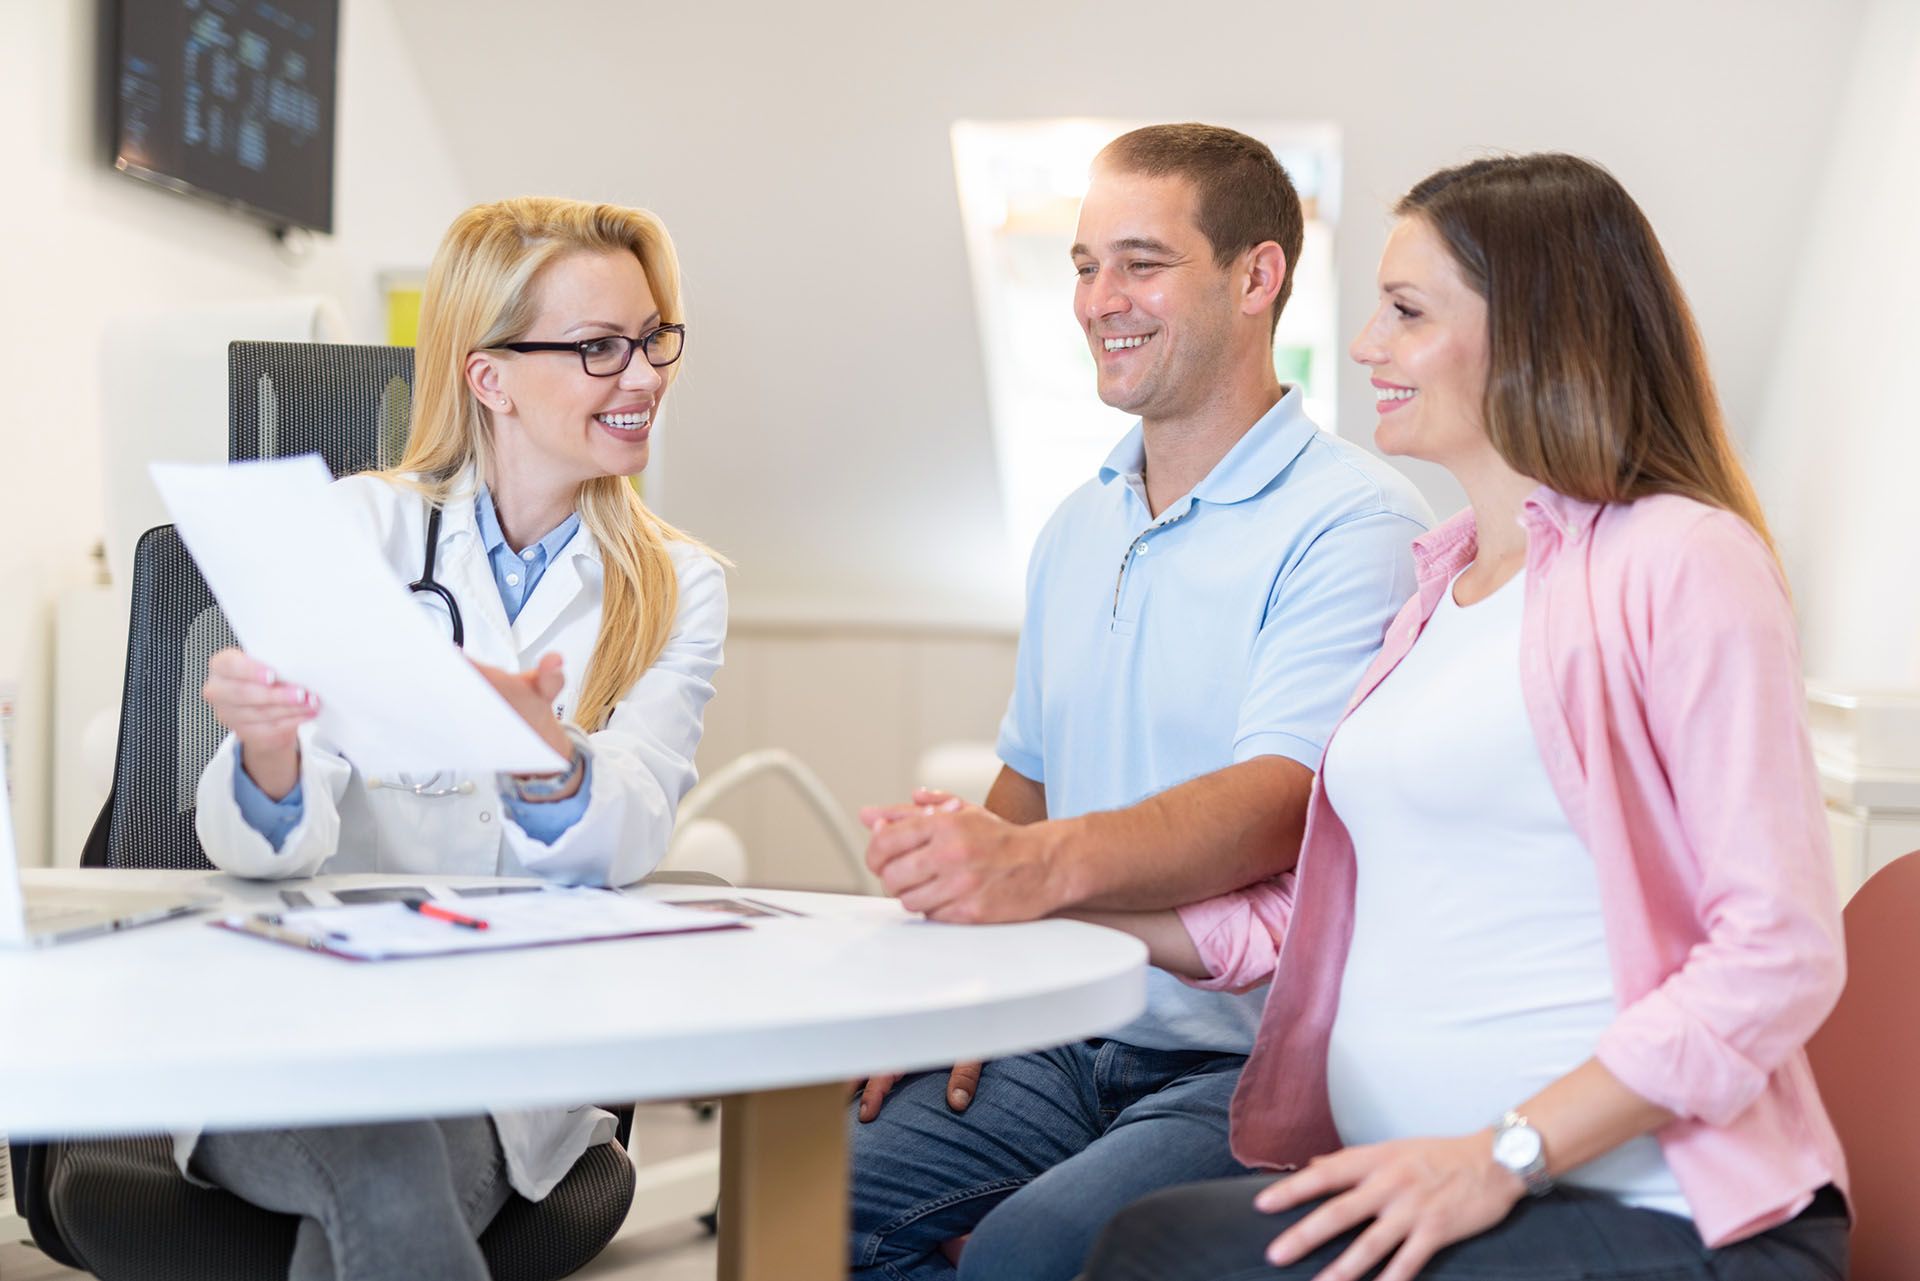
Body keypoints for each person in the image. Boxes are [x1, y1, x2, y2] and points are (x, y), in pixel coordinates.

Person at [1078, 153, 1850, 1281]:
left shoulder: (1684, 559)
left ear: (1533, 331)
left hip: (1653, 1209)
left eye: (1405, 311)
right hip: (1454, 1181)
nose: (1362, 346)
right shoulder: (1440, 586)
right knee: (1142, 1245)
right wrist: (1046, 898)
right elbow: (1316, 919)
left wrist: (1503, 1153)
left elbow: (1778, 953)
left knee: (1153, 1256)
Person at [847, 124, 1433, 1281]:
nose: (1096, 300)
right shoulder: (1079, 524)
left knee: (1035, 1252)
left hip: (1246, 1062)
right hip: (1061, 1028)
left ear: (1256, 276)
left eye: (1139, 263)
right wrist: (949, 983)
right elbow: (1031, 782)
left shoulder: (1357, 525)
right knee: (807, 1200)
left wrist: (1037, 871)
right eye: (1080, 265)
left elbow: (1281, 803)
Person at [178, 195, 727, 1281]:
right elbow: (256, 853)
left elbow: (628, 835)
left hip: (505, 1062)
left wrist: (545, 760)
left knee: (383, 1177)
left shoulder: (676, 586)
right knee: (379, 1165)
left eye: (653, 338)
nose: (646, 377)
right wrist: (271, 754)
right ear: (489, 377)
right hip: (309, 1025)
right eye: (599, 348)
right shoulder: (353, 533)